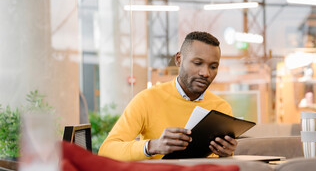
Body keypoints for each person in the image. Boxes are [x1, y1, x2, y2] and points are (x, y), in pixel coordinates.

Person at [98, 31, 238, 161]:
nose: (205, 73)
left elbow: (222, 164)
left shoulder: (221, 108)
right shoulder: (147, 99)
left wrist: (227, 154)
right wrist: (152, 146)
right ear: (178, 59)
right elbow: (106, 151)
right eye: (197, 63)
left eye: (213, 66)